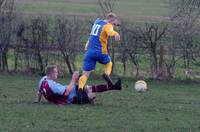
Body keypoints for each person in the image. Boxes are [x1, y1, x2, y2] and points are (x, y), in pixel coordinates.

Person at [35, 65, 122, 105]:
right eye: (56, 72)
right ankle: (113, 87)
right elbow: (66, 93)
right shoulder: (53, 86)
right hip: (70, 98)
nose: (57, 73)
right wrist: (73, 79)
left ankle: (113, 87)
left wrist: (38, 101)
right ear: (51, 74)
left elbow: (39, 92)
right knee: (92, 94)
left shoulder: (43, 80)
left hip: (70, 90)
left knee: (88, 88)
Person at [78, 12, 121, 92]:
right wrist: (116, 34)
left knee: (85, 74)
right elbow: (110, 32)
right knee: (109, 63)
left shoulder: (97, 22)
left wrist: (86, 46)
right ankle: (106, 74)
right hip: (100, 52)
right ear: (112, 20)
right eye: (115, 21)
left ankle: (80, 89)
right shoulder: (108, 25)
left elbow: (93, 35)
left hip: (89, 52)